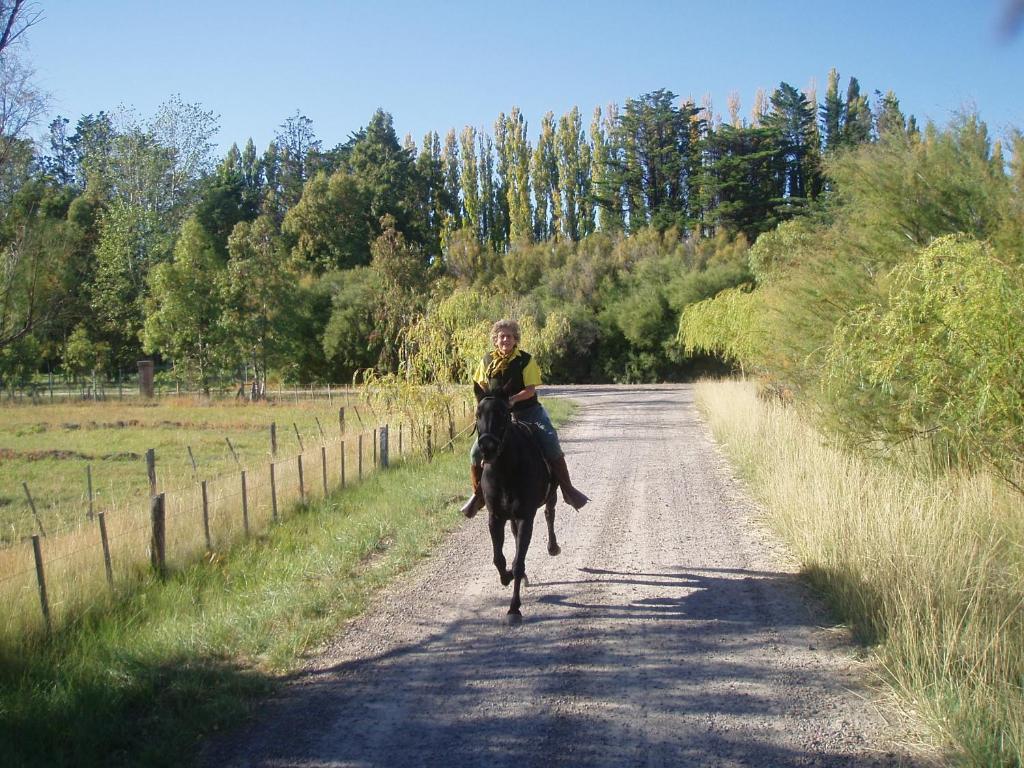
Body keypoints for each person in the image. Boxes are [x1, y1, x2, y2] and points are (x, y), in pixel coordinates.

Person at [461, 319, 589, 517]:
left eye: (509, 336)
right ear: (496, 340)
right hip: (498, 416)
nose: (505, 340)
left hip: (528, 412)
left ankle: (568, 489)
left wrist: (510, 400)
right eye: (501, 336)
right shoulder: (486, 361)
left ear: (515, 339)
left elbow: (530, 390)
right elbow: (482, 387)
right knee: (475, 453)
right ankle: (478, 495)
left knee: (550, 441)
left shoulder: (526, 360)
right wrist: (489, 405)